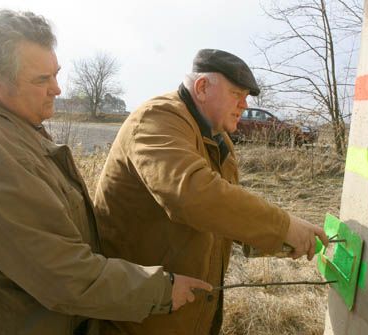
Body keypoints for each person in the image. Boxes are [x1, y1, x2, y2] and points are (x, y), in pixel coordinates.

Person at [0, 10, 212, 335]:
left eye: (55, 74)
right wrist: (161, 290)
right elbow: (59, 273)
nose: (58, 89)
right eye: (41, 80)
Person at [94, 49, 329, 335]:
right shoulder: (157, 118)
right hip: (140, 316)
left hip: (187, 310)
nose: (244, 105)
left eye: (246, 97)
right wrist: (283, 226)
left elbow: (222, 217)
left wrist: (277, 242)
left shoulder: (220, 140)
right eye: (236, 94)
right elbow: (193, 195)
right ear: (202, 87)